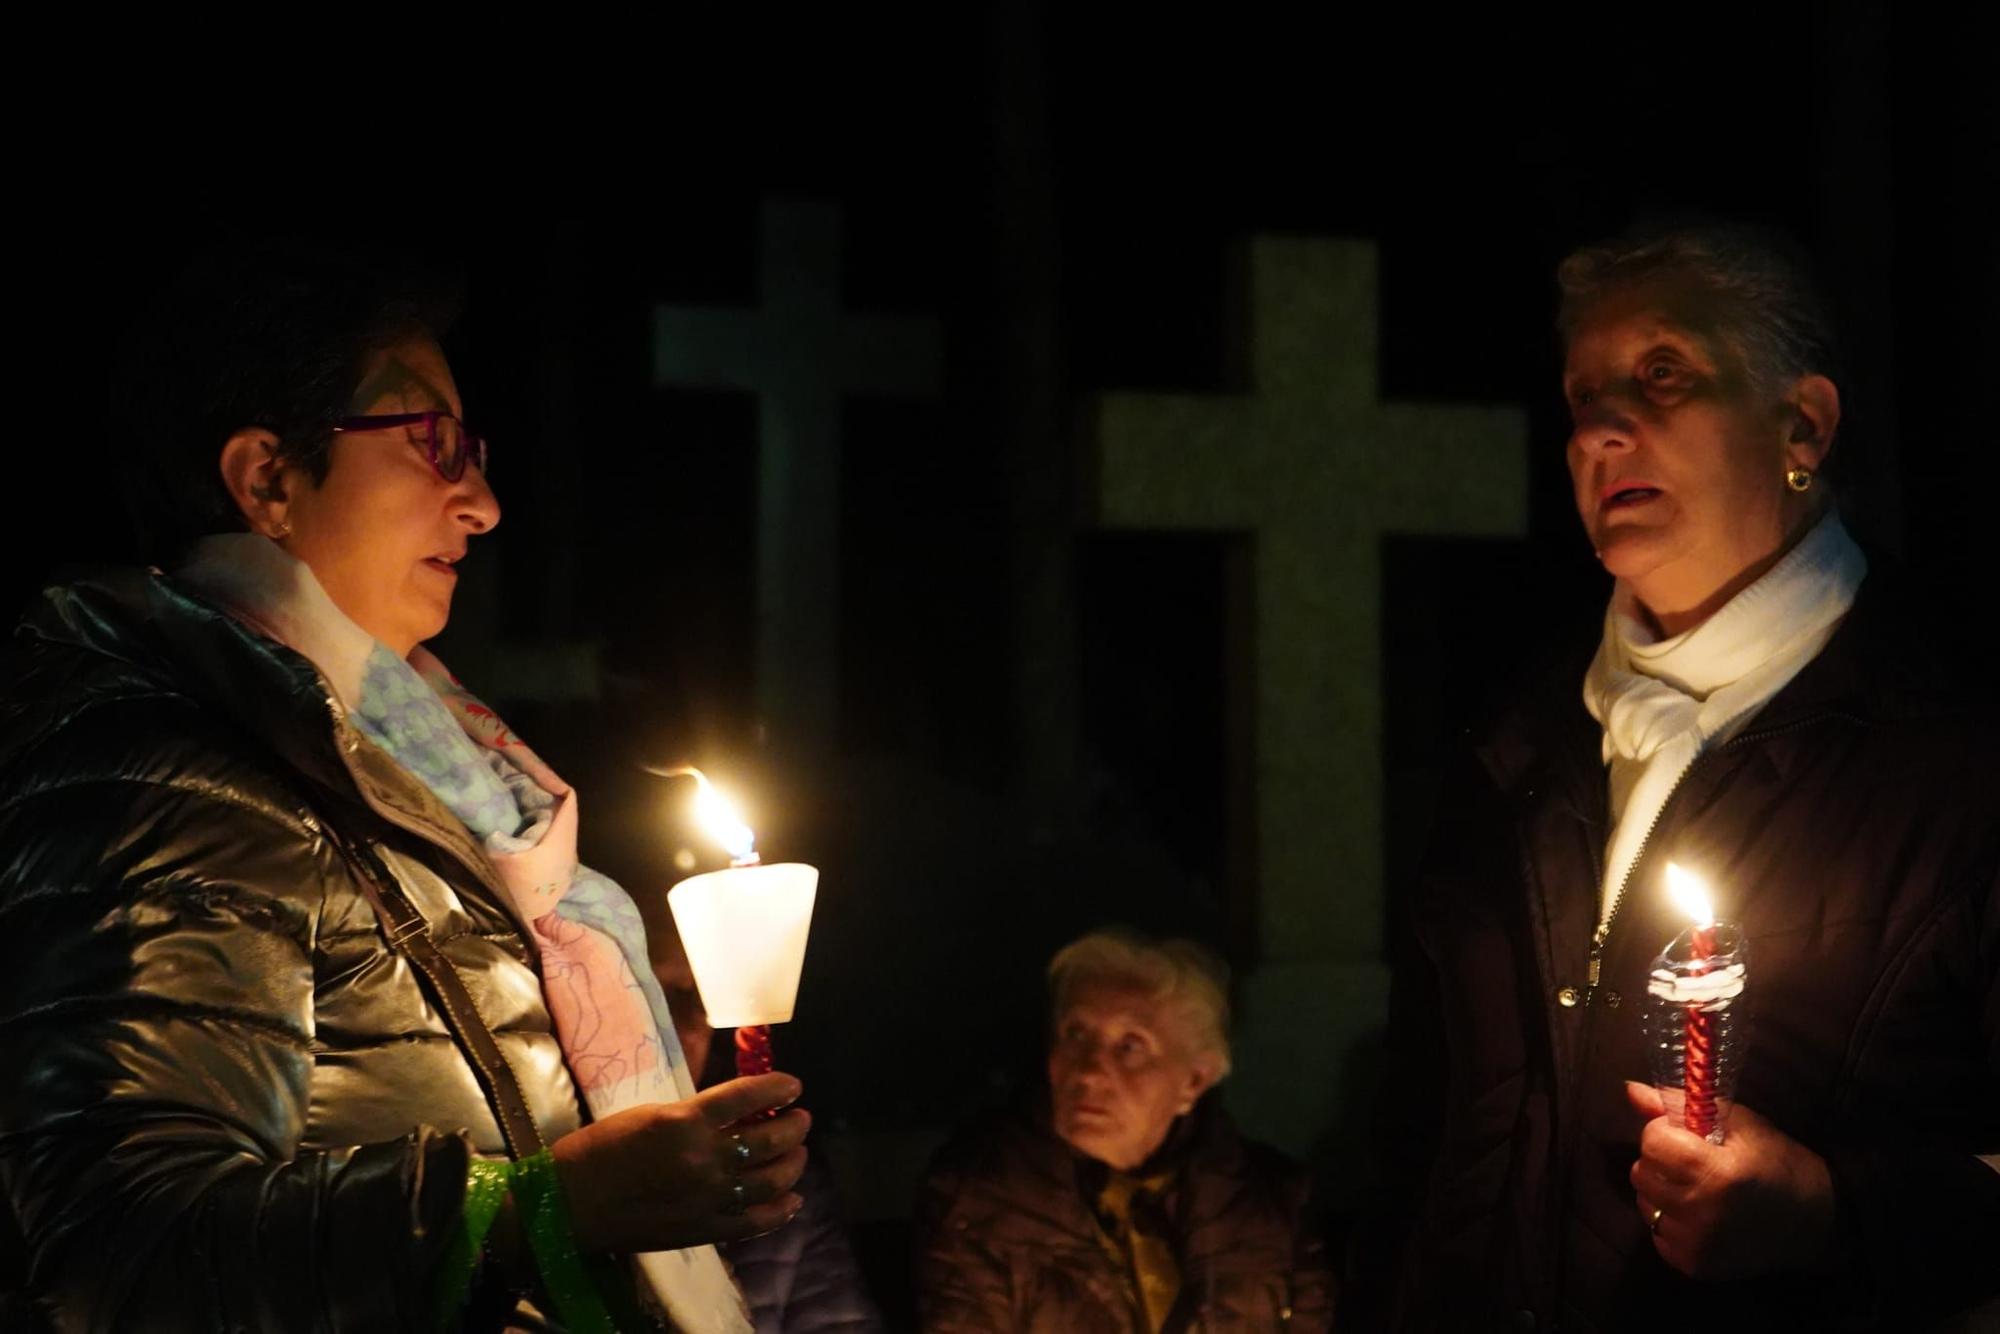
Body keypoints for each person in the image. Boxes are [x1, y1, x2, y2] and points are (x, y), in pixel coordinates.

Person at [0, 245, 810, 1331]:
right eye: (432, 443)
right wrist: (547, 1207)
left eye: (471, 449)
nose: (479, 501)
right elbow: (129, 1251)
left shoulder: (398, 779)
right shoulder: (176, 776)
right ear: (268, 479)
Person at [1363, 224, 1999, 1332]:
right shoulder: (1511, 750)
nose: (1601, 428)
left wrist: (1826, 1213)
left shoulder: (1953, 755)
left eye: (1661, 373)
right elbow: (1421, 1131)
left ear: (1800, 422)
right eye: (1581, 396)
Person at [915, 928, 1333, 1331]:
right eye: (1075, 1034)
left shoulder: (1273, 1207)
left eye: (1131, 1046)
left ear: (1193, 1082)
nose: (1091, 1071)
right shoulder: (979, 1203)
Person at [650, 928, 886, 1333]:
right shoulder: (559, 1175)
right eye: (651, 997)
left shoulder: (781, 1176)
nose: (678, 1027)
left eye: (699, 1000)